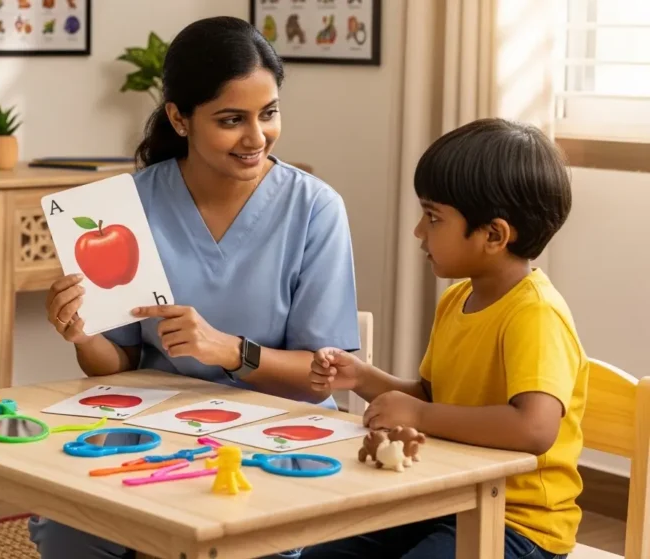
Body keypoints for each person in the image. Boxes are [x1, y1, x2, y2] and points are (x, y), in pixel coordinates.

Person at [30, 15, 360, 559]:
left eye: (269, 113)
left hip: (272, 434)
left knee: (239, 536)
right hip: (154, 426)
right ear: (179, 119)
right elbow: (116, 363)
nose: (257, 137)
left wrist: (229, 350)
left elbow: (320, 381)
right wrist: (82, 334)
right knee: (69, 528)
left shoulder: (314, 209)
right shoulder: (126, 205)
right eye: (232, 120)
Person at [302, 118, 586, 559]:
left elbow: (534, 428)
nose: (419, 231)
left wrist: (419, 412)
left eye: (433, 217)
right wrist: (361, 377)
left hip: (518, 524)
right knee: (318, 551)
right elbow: (434, 398)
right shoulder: (457, 300)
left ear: (494, 235)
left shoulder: (536, 314)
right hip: (445, 496)